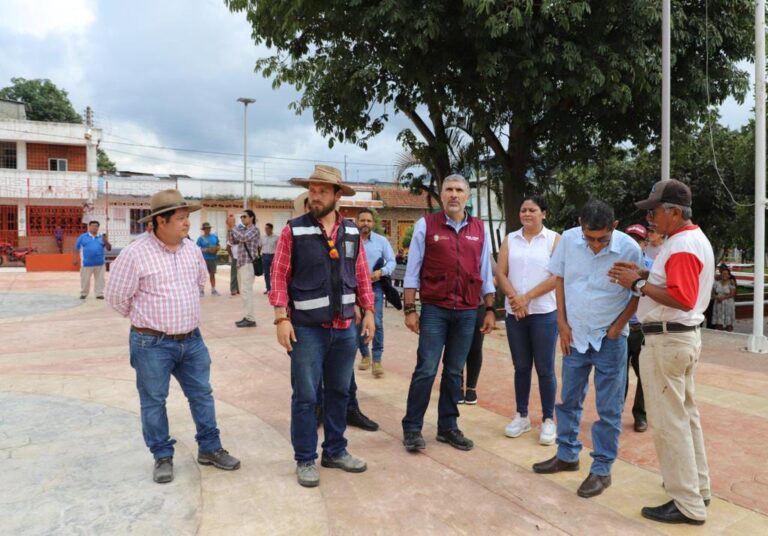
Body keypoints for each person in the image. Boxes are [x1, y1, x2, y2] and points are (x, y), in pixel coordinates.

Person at [105, 189, 240, 484]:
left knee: (202, 395)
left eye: (186, 218)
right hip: (151, 343)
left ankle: (210, 448)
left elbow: (198, 282)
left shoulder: (191, 248)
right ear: (159, 222)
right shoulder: (135, 253)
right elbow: (116, 298)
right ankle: (162, 456)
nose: (186, 224)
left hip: (192, 340)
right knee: (154, 401)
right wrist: (149, 319)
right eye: (180, 219)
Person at [609, 179, 714, 525]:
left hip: (668, 339)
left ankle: (687, 503)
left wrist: (637, 284)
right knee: (685, 416)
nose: (651, 216)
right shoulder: (689, 240)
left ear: (674, 212)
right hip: (681, 338)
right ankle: (698, 489)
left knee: (670, 423)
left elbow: (681, 297)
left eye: (655, 210)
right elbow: (676, 285)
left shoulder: (682, 245)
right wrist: (646, 273)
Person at [269, 165, 375, 488]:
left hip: (344, 328)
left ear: (337, 196)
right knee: (305, 396)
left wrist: (368, 310)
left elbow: (361, 274)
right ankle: (305, 459)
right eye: (312, 190)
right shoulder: (294, 230)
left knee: (339, 392)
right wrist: (280, 317)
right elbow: (278, 276)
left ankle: (335, 450)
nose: (315, 196)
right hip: (307, 330)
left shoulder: (352, 233)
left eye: (322, 191)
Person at [532, 200, 642, 499]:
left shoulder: (630, 249)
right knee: (568, 399)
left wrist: (619, 326)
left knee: (609, 408)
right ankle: (567, 454)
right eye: (589, 237)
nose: (595, 245)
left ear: (614, 227)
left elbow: (638, 292)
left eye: (602, 239)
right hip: (575, 334)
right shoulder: (568, 240)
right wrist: (562, 324)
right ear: (581, 225)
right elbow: (561, 280)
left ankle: (602, 470)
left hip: (610, 339)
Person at [401, 174, 496, 453]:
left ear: (467, 196)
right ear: (441, 195)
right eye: (449, 190)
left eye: (459, 190)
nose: (454, 195)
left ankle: (448, 427)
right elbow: (412, 270)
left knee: (454, 371)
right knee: (426, 369)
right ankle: (412, 428)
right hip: (435, 310)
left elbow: (485, 273)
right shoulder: (426, 225)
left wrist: (489, 308)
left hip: (467, 311)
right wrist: (410, 309)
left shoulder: (479, 229)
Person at [495, 195, 560, 444]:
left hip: (544, 312)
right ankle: (521, 415)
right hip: (515, 315)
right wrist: (515, 299)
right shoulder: (510, 239)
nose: (527, 214)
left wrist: (527, 298)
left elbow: (557, 276)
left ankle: (548, 420)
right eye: (523, 210)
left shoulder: (554, 239)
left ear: (544, 213)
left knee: (545, 368)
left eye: (532, 210)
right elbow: (501, 272)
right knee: (521, 366)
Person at [355, 209, 396, 377]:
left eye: (369, 221)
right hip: (354, 288)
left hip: (375, 286)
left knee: (377, 322)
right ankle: (365, 355)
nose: (366, 223)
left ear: (373, 223)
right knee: (358, 321)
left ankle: (377, 359)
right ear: (357, 222)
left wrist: (381, 272)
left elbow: (392, 261)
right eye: (362, 220)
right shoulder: (351, 240)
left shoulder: (381, 241)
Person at [623, 224, 655, 433]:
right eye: (630, 239)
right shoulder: (616, 266)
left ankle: (640, 416)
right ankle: (614, 413)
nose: (635, 244)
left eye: (639, 240)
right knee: (617, 377)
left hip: (642, 330)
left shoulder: (653, 267)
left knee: (645, 376)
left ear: (645, 243)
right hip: (620, 330)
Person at [227, 209, 261, 327]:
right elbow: (232, 241)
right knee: (244, 292)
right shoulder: (242, 229)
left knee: (247, 291)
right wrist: (230, 228)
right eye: (241, 217)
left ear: (252, 218)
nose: (242, 219)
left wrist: (233, 227)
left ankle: (250, 319)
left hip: (248, 264)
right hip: (241, 264)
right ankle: (247, 316)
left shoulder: (254, 230)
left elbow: (242, 238)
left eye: (245, 217)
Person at [73, 220, 111, 299]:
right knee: (85, 280)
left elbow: (109, 248)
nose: (94, 227)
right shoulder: (83, 237)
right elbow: (76, 248)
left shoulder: (101, 237)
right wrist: (75, 259)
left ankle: (99, 294)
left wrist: (105, 241)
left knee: (100, 280)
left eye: (96, 226)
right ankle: (84, 293)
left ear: (98, 227)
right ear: (89, 227)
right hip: (86, 263)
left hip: (100, 263)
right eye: (93, 226)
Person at [196, 222, 221, 297]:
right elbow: (197, 249)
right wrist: (207, 250)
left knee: (212, 274)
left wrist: (216, 248)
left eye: (209, 228)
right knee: (202, 275)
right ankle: (201, 290)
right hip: (203, 259)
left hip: (212, 258)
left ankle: (213, 289)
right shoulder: (200, 238)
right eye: (206, 228)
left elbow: (218, 245)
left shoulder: (214, 237)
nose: (208, 229)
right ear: (204, 229)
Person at [712, 266, 736, 331]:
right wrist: (716, 297)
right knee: (719, 322)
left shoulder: (731, 282)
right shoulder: (716, 283)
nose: (724, 275)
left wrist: (723, 298)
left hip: (728, 304)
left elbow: (733, 294)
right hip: (718, 303)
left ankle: (729, 335)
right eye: (722, 274)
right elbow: (712, 293)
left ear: (729, 275)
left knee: (728, 322)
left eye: (726, 274)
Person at [260, 223, 279, 295]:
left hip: (273, 256)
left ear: (271, 229)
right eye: (265, 228)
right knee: (266, 273)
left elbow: (278, 248)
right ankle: (268, 289)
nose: (266, 230)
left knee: (274, 273)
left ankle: (274, 288)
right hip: (264, 256)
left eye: (267, 228)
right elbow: (259, 246)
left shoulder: (276, 237)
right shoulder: (262, 237)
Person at [226, 221, 240, 296]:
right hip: (235, 258)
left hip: (241, 259)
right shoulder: (231, 239)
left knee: (240, 275)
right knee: (234, 275)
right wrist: (232, 256)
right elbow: (228, 248)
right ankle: (233, 289)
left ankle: (238, 289)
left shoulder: (242, 239)